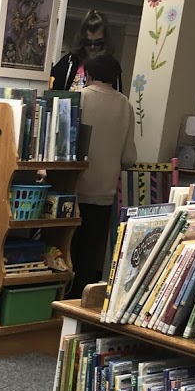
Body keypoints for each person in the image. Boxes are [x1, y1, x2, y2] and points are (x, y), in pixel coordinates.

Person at [71, 50, 137, 297]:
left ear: (88, 74)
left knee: (65, 248)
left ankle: (58, 304)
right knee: (89, 256)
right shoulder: (126, 105)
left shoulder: (79, 98)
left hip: (73, 189)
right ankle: (81, 303)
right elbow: (129, 158)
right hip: (104, 194)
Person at [50, 9, 123, 93]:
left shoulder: (112, 66)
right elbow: (52, 91)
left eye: (98, 42)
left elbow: (116, 97)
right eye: (88, 42)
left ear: (105, 41)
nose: (92, 47)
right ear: (82, 40)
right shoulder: (69, 61)